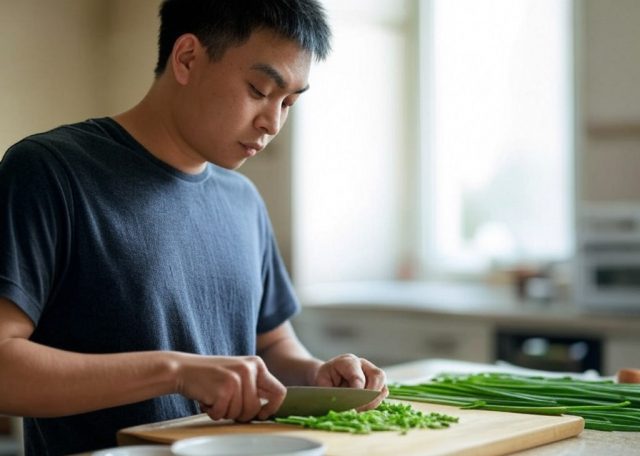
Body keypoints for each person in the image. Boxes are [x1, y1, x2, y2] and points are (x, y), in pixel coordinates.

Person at [0, 1, 387, 454]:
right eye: (260, 90)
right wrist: (177, 372)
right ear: (187, 59)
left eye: (289, 102)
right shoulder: (50, 172)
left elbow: (273, 346)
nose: (273, 121)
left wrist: (316, 376)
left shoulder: (242, 200)